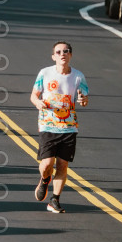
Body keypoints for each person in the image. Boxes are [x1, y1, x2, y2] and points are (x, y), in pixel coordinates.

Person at [30, 41, 89, 213]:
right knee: (47, 163)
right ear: (53, 56)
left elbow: (84, 100)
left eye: (66, 51)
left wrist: (83, 100)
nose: (62, 54)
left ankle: (54, 199)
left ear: (70, 55)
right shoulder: (45, 73)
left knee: (63, 165)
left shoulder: (78, 76)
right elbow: (34, 95)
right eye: (59, 52)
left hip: (69, 126)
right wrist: (38, 103)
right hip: (48, 125)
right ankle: (44, 179)